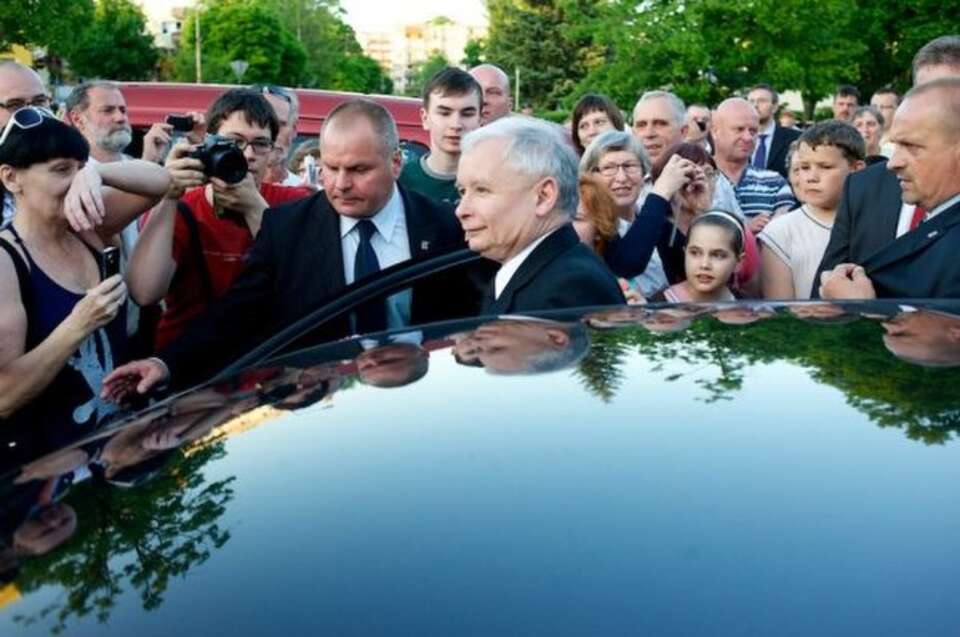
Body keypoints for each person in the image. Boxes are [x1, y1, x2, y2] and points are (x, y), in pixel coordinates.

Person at [103, 98, 467, 397]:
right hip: (325, 407)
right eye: (330, 167)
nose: (340, 184)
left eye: (358, 169)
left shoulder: (446, 226)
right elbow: (237, 312)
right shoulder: (287, 226)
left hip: (426, 398)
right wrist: (165, 364)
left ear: (396, 163)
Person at [0, 110, 169, 423]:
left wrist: (98, 173)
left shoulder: (86, 227)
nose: (77, 182)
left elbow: (160, 181)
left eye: (80, 169)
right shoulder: (7, 261)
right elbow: (4, 396)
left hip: (114, 443)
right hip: (48, 460)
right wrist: (78, 324)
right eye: (61, 170)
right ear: (11, 177)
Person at [127, 88, 313, 350]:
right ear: (209, 144)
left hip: (265, 363)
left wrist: (255, 209)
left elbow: (304, 285)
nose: (248, 155)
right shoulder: (186, 207)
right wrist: (168, 195)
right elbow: (144, 292)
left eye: (260, 144)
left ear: (272, 150)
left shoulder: (297, 202)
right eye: (234, 142)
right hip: (187, 366)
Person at [815, 35, 960, 295]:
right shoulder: (862, 187)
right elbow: (828, 289)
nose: (895, 163)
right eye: (924, 92)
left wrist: (868, 312)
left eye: (947, 93)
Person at [455, 116, 625, 314]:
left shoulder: (571, 288)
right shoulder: (532, 270)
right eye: (462, 191)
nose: (461, 210)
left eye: (482, 190)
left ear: (544, 196)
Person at [578, 130, 696, 296]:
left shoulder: (658, 222)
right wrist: (661, 192)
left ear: (643, 174)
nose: (621, 177)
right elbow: (627, 265)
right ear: (591, 177)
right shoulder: (590, 230)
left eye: (629, 166)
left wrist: (694, 211)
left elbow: (697, 270)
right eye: (609, 168)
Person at [759, 121, 865, 300]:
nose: (811, 177)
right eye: (804, 167)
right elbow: (782, 315)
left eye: (825, 167)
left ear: (857, 170)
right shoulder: (779, 233)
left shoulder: (880, 224)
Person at [646, 143, 761, 295]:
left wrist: (703, 210)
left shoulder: (731, 227)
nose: (700, 181)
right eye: (689, 174)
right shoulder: (653, 231)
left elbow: (752, 286)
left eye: (709, 174)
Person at [399, 67, 481, 208]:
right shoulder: (400, 182)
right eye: (444, 113)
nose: (456, 125)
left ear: (480, 119)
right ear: (425, 118)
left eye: (467, 114)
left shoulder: (492, 181)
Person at [712, 97, 796, 234]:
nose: (748, 138)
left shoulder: (774, 182)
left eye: (753, 131)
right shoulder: (697, 176)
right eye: (739, 129)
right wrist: (743, 228)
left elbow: (783, 233)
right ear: (715, 131)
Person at [650, 211, 745, 303]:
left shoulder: (745, 307)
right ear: (685, 253)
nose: (704, 265)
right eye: (695, 253)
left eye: (718, 255)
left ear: (738, 263)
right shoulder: (658, 305)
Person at [0, 62, 51, 227]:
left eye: (39, 102)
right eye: (15, 105)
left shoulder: (74, 163)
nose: (33, 114)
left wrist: (92, 175)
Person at [746, 83, 801, 179]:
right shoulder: (738, 138)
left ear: (775, 107)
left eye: (761, 101)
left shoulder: (794, 138)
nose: (755, 105)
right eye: (751, 101)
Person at [253, 84, 302, 187]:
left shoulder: (307, 195)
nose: (271, 134)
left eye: (280, 124)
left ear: (293, 130)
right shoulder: (222, 190)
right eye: (263, 123)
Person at [870, 86, 900, 155]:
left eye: (884, 107)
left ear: (898, 109)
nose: (877, 111)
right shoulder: (862, 140)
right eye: (874, 107)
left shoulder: (904, 142)